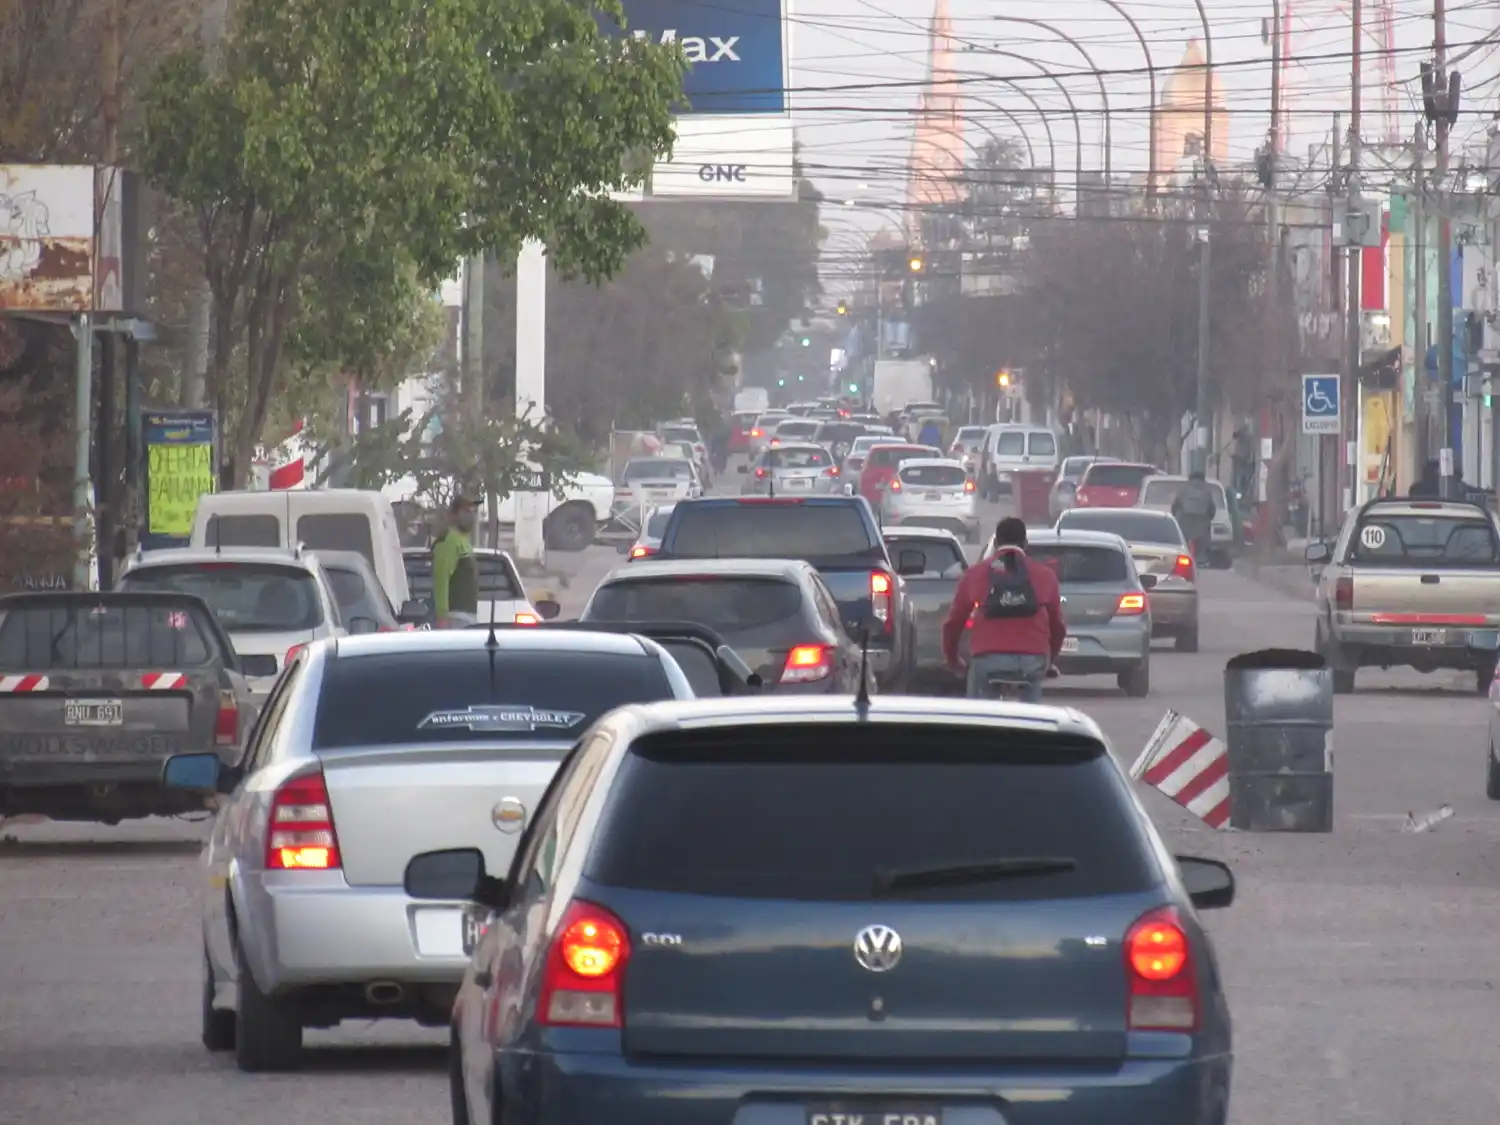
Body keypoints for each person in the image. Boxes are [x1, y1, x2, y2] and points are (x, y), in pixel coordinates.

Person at [941, 517, 1067, 703]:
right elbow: (1057, 626)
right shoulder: (1045, 576)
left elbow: (954, 623)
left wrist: (953, 659)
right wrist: (1050, 659)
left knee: (979, 707)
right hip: (1032, 658)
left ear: (996, 542)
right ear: (1025, 543)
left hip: (987, 656)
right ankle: (1032, 723)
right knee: (1032, 695)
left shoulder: (975, 574)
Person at [431, 494, 480, 628]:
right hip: (454, 617)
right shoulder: (448, 540)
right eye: (466, 511)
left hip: (468, 616)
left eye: (473, 511)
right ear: (453, 514)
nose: (470, 515)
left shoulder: (464, 541)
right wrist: (442, 617)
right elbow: (441, 578)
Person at [1172, 470, 1217, 561]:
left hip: (1184, 519)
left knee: (1183, 540)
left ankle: (1183, 557)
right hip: (1202, 519)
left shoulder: (1183, 489)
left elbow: (1176, 504)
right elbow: (1212, 507)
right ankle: (1201, 559)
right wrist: (1208, 518)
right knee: (1202, 541)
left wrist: (1175, 516)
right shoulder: (1207, 490)